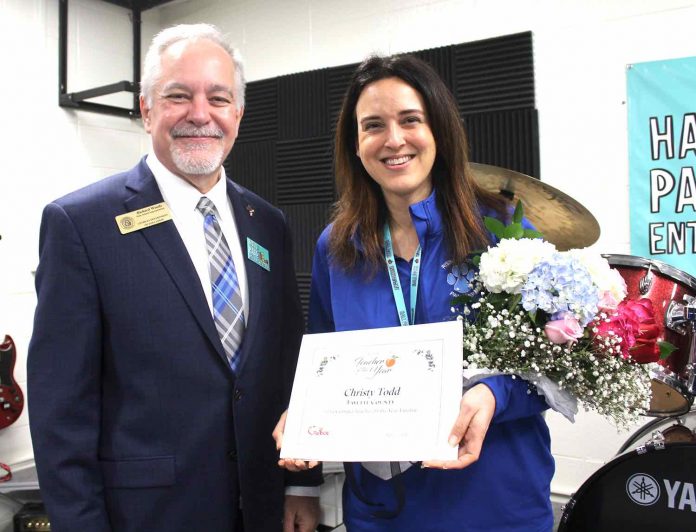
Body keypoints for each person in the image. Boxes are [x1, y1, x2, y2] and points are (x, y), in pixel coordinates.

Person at [28, 23, 321, 532]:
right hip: (144, 516)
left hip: (260, 506)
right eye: (178, 96)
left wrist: (300, 485)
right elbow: (61, 411)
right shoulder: (81, 224)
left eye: (218, 98)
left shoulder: (267, 224)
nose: (200, 115)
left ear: (238, 114)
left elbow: (286, 363)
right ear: (146, 110)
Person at [275, 55, 554, 531]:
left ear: (439, 131)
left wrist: (494, 394)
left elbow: (555, 361)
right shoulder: (336, 247)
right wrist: (304, 418)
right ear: (355, 145)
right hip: (383, 509)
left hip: (493, 500)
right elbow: (321, 360)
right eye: (373, 126)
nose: (394, 140)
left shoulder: (502, 228)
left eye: (410, 120)